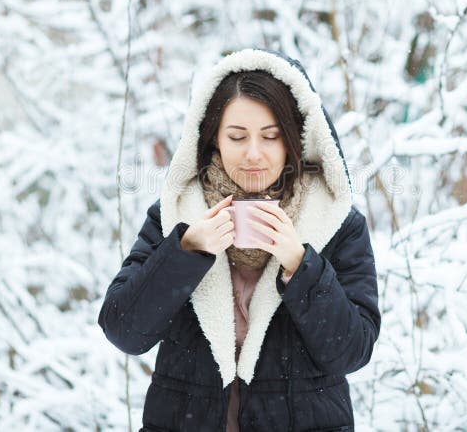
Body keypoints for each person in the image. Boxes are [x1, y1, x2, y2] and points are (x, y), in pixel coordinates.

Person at [97, 48, 381, 431]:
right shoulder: (176, 215)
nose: (253, 154)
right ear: (213, 138)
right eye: (236, 136)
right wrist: (185, 253)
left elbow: (352, 351)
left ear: (293, 140)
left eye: (270, 136)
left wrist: (300, 265)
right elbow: (123, 330)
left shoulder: (334, 224)